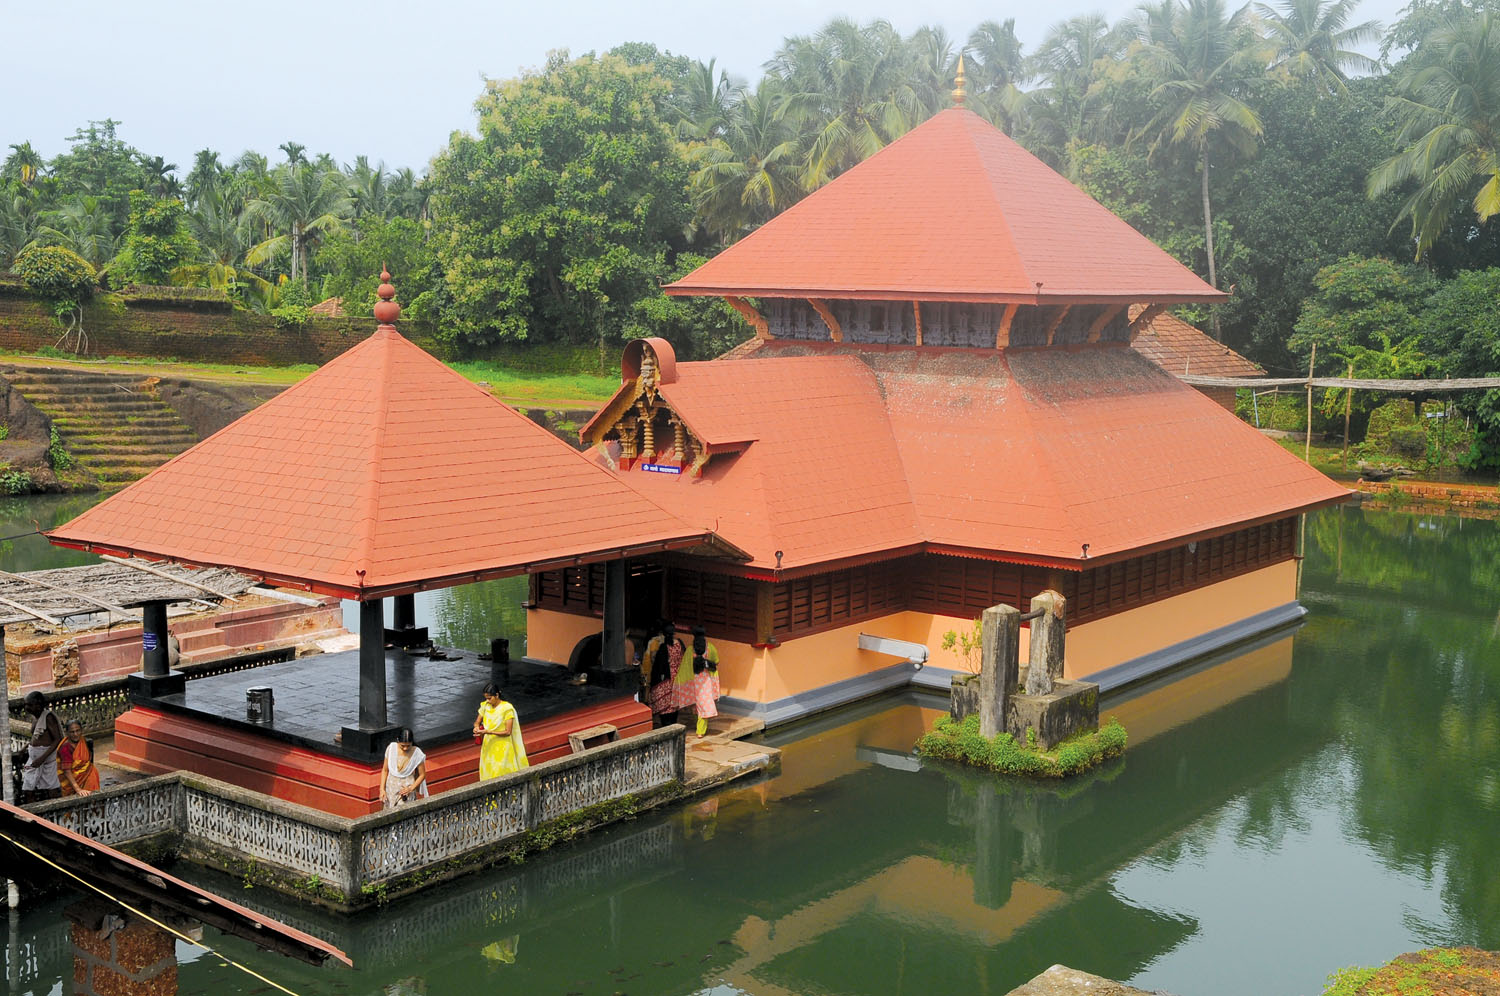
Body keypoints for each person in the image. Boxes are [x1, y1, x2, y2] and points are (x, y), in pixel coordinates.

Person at [474, 683, 528, 779]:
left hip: (503, 746)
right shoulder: (485, 706)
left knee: (501, 772)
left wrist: (488, 732)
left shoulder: (507, 708)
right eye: (486, 698)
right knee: (489, 771)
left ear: (497, 695)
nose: (488, 701)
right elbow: (477, 722)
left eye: (489, 698)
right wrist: (476, 728)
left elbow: (508, 732)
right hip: (488, 745)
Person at [21, 691, 63, 803]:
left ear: (38, 705)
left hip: (47, 760)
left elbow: (58, 739)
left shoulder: (48, 717)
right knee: (27, 789)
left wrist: (42, 758)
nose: (26, 708)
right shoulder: (36, 718)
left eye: (29, 705)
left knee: (52, 789)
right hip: (34, 760)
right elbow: (36, 737)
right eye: (25, 705)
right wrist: (25, 748)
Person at [682, 626, 722, 736]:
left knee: (696, 705)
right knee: (704, 704)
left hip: (693, 680)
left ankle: (698, 726)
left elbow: (685, 666)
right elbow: (716, 662)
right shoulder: (710, 648)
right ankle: (700, 731)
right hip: (706, 681)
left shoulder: (690, 650)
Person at [647, 621, 685, 727]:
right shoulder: (680, 644)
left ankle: (666, 724)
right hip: (679, 677)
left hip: (668, 678)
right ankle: (674, 723)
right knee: (675, 704)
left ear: (663, 633)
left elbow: (659, 666)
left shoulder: (664, 647)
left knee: (666, 704)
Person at [380, 728, 428, 809]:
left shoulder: (417, 753)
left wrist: (411, 788)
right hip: (390, 789)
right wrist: (382, 789)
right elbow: (385, 770)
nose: (405, 748)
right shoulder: (391, 749)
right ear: (398, 741)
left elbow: (422, 775)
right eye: (402, 746)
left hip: (406, 789)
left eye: (408, 746)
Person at [57, 719, 99, 797]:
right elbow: (67, 771)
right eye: (72, 732)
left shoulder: (85, 742)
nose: (75, 734)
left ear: (81, 730)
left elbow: (89, 763)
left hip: (88, 777)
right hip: (73, 782)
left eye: (78, 731)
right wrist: (78, 789)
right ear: (67, 733)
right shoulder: (65, 748)